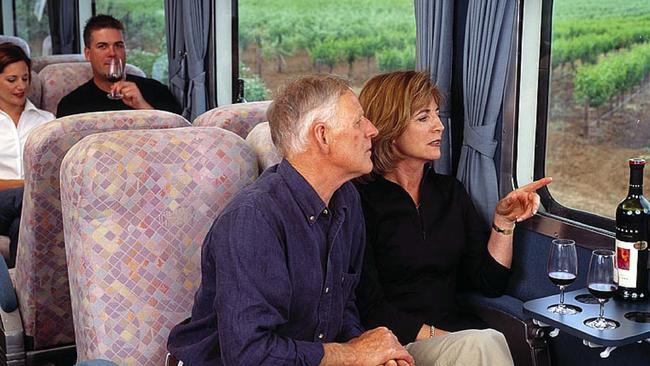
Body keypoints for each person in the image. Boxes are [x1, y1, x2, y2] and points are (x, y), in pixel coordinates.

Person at [167, 75, 414, 366]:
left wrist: (374, 356)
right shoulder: (253, 220)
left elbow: (343, 307)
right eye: (359, 122)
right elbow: (249, 354)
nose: (372, 131)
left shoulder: (347, 199)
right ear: (322, 135)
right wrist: (355, 355)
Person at [354, 71, 552, 365]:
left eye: (437, 114)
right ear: (389, 129)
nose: (439, 126)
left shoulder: (449, 192)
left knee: (484, 340)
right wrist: (443, 335)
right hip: (396, 345)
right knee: (482, 342)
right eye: (423, 118)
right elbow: (368, 306)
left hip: (459, 336)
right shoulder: (359, 201)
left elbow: (489, 283)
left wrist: (504, 221)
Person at [56, 15, 181, 118]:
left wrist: (142, 106)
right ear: (88, 54)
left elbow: (179, 138)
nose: (112, 53)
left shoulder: (158, 91)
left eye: (118, 45)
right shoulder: (71, 105)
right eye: (102, 46)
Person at [0, 43, 55, 266]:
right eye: (11, 80)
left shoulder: (47, 121)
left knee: (21, 222)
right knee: (28, 196)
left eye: (25, 78)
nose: (21, 86)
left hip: (30, 209)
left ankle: (19, 293)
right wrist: (28, 185)